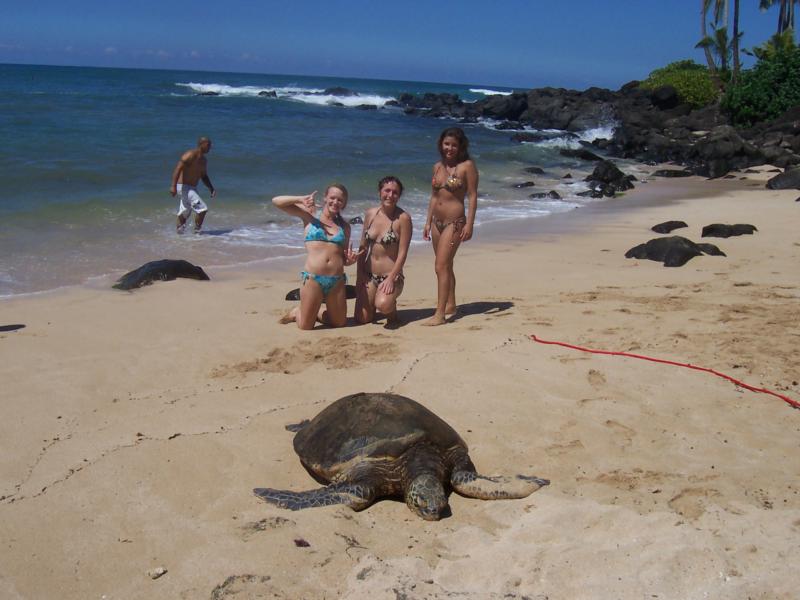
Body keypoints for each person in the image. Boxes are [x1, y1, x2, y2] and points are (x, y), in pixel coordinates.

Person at [273, 184, 360, 329]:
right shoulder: (310, 216)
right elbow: (277, 201)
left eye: (340, 200)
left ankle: (316, 312)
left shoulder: (345, 227)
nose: (335, 202)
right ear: (325, 197)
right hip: (313, 279)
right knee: (306, 326)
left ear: (344, 203)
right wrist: (300, 199)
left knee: (339, 323)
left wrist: (349, 261)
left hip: (336, 280)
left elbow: (342, 257)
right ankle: (297, 312)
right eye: (332, 198)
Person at [422, 127, 479, 326]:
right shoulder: (437, 167)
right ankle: (451, 304)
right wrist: (427, 221)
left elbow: (472, 196)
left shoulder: (467, 167)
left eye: (454, 145)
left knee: (440, 266)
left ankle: (440, 314)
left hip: (454, 223)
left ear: (461, 146)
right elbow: (434, 197)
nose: (450, 148)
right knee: (446, 265)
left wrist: (470, 224)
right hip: (437, 223)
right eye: (447, 144)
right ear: (441, 144)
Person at [354, 176, 413, 326]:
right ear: (380, 192)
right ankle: (373, 302)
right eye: (387, 190)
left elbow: (403, 253)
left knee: (383, 305)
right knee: (362, 319)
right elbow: (363, 247)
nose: (390, 195)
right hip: (368, 275)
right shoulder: (370, 214)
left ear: (399, 196)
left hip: (391, 276)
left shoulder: (403, 219)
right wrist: (359, 274)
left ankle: (392, 313)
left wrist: (391, 278)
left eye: (395, 192)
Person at [170, 137, 216, 233]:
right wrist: (173, 186)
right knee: (203, 209)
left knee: (185, 212)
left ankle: (179, 234)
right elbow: (178, 169)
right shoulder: (190, 155)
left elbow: (203, 176)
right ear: (201, 144)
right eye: (208, 145)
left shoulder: (204, 160)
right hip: (183, 186)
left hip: (192, 188)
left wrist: (211, 188)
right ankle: (197, 233)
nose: (210, 147)